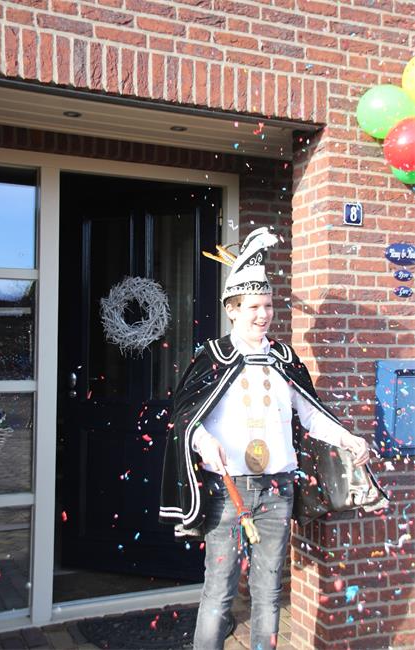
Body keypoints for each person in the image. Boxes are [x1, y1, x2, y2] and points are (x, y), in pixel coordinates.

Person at [159, 227, 388, 650]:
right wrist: (203, 441)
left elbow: (311, 414)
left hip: (278, 490)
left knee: (268, 593)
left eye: (267, 305)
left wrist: (347, 438)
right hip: (228, 492)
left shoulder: (284, 358)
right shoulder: (213, 357)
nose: (262, 314)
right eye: (253, 307)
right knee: (219, 592)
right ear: (232, 310)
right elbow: (186, 417)